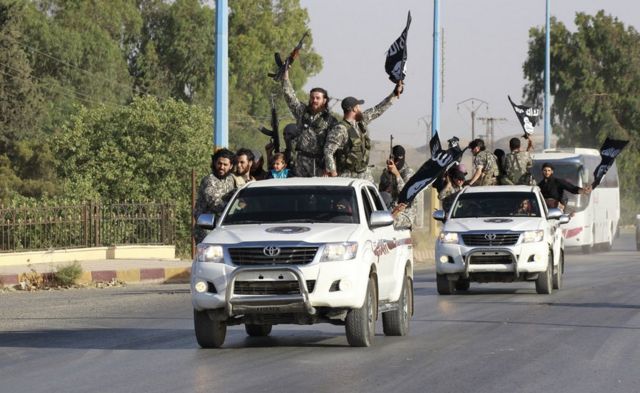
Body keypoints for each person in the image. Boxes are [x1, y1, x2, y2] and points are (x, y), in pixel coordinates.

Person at [324, 82, 403, 182]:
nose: (360, 109)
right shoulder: (340, 129)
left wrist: (395, 94)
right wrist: (333, 173)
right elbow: (328, 151)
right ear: (354, 109)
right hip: (347, 175)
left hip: (364, 173)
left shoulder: (361, 122)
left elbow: (378, 109)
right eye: (358, 107)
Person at [282, 68, 337, 177]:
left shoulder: (330, 120)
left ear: (324, 100)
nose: (314, 100)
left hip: (319, 164)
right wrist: (285, 75)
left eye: (318, 98)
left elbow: (333, 146)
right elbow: (289, 95)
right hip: (300, 162)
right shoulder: (301, 111)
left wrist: (329, 167)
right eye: (312, 98)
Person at [193, 149, 237, 244]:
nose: (221, 167)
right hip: (207, 230)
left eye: (225, 165)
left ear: (231, 166)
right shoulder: (209, 180)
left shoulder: (230, 180)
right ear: (214, 163)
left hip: (223, 229)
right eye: (219, 163)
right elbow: (216, 204)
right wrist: (235, 209)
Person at [378, 144, 416, 230]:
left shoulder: (408, 173)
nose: (395, 163)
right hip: (389, 209)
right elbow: (381, 194)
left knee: (386, 223)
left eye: (397, 160)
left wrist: (397, 175)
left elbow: (407, 195)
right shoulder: (386, 173)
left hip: (405, 213)